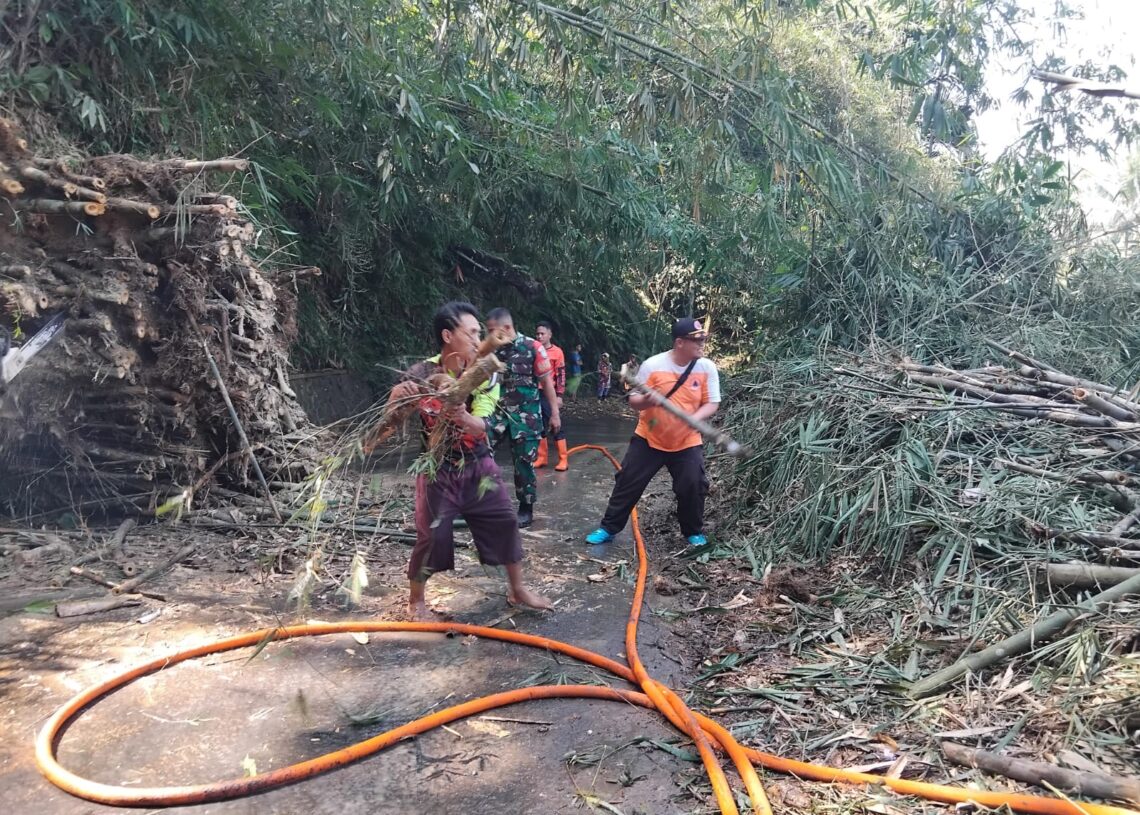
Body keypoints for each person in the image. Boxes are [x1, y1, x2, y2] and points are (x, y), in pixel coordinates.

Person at [386, 301, 552, 620]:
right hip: (435, 467)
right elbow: (392, 424)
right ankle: (416, 601)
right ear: (448, 335)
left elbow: (484, 427)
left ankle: (517, 589)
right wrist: (396, 399)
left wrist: (462, 415)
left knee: (504, 520)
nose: (480, 339)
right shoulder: (422, 372)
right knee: (432, 535)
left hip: (477, 462)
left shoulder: (485, 372)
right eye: (473, 332)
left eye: (481, 333)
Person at [585, 318, 720, 547]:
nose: (702, 344)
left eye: (703, 339)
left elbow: (712, 402)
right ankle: (608, 528)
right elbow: (634, 401)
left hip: (686, 441)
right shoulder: (653, 365)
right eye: (697, 340)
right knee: (627, 482)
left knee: (693, 484)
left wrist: (693, 419)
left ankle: (693, 532)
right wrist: (647, 399)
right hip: (649, 438)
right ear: (680, 342)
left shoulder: (706, 367)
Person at [484, 308, 561, 527]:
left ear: (507, 328)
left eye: (492, 330)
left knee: (524, 464)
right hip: (497, 413)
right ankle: (479, 502)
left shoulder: (533, 348)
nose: (489, 335)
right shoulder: (491, 349)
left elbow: (547, 384)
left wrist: (555, 414)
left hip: (526, 417)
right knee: (478, 452)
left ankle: (526, 509)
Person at [534, 320, 570, 471]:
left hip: (551, 393)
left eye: (543, 333)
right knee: (539, 424)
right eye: (537, 334)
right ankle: (542, 457)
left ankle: (563, 459)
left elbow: (561, 375)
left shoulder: (557, 352)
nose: (540, 336)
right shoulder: (534, 349)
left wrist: (560, 395)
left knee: (555, 423)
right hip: (536, 392)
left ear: (550, 334)